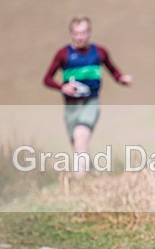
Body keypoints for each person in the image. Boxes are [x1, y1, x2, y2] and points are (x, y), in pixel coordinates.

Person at [43, 16, 133, 176]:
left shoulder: (99, 52)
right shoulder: (63, 54)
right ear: (71, 33)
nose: (80, 36)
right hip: (71, 107)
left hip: (91, 102)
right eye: (77, 33)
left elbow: (113, 71)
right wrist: (63, 87)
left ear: (89, 32)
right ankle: (92, 175)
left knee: (79, 137)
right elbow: (47, 79)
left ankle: (78, 181)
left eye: (84, 32)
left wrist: (122, 79)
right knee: (79, 144)